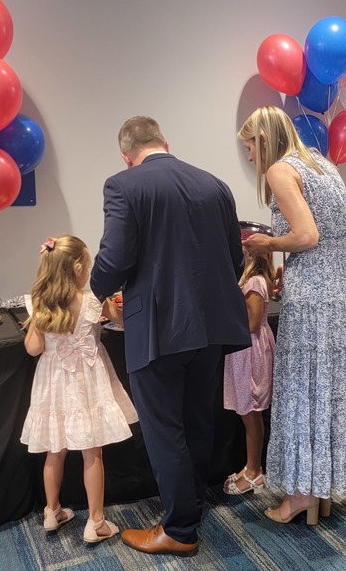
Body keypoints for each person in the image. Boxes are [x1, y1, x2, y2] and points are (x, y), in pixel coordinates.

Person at [90, 116, 250, 555]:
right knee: (199, 420)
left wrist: (94, 287)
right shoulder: (215, 184)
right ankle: (190, 506)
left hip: (158, 327)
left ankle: (179, 530)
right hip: (213, 325)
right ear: (165, 142)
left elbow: (115, 259)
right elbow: (235, 259)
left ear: (126, 156)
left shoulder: (123, 185)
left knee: (164, 429)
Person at [239, 105, 346, 524]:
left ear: (264, 140)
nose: (250, 158)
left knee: (303, 391)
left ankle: (299, 495)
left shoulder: (281, 169)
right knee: (333, 391)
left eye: (250, 147)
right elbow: (328, 234)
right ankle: (324, 487)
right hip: (342, 288)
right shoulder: (323, 165)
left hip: (313, 296)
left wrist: (266, 245)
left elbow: (306, 235)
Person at [19, 235, 138, 544]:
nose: (90, 271)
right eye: (88, 266)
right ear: (76, 269)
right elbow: (126, 323)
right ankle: (96, 521)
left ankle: (51, 510)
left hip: (53, 384)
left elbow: (33, 349)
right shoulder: (93, 300)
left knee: (53, 450)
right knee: (92, 453)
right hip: (87, 384)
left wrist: (36, 321)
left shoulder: (40, 304)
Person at [222, 247, 276, 496]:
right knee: (248, 413)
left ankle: (255, 471)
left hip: (250, 350)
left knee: (251, 412)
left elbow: (253, 323)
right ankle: (250, 465)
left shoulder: (254, 281)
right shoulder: (251, 279)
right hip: (245, 348)